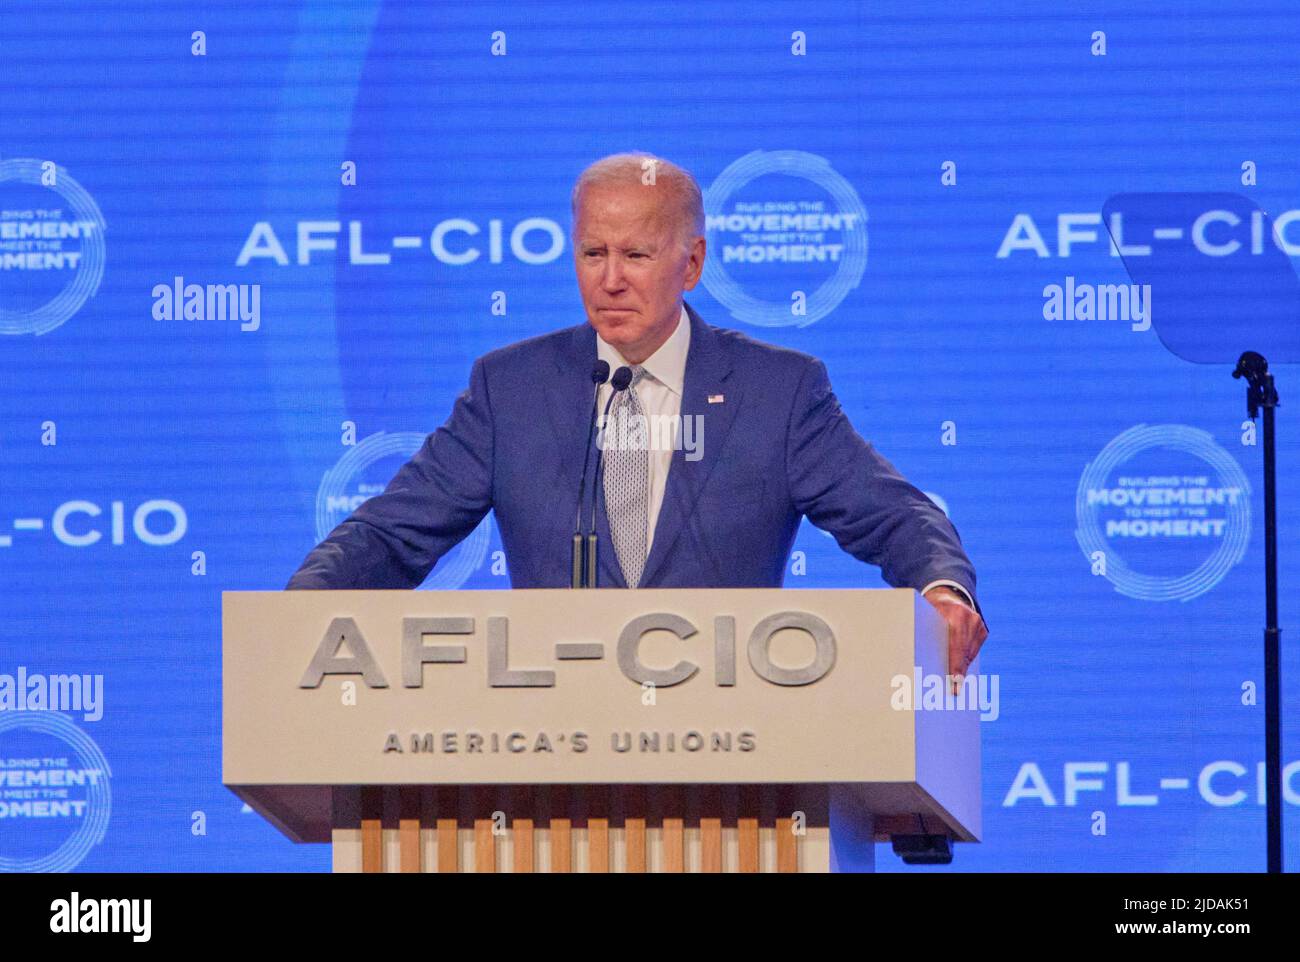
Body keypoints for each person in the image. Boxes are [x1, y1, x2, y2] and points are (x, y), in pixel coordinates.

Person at [287, 152, 988, 678]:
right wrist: (302, 607)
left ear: (691, 264)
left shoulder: (778, 392)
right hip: (546, 752)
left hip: (735, 746)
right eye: (593, 252)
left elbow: (896, 515)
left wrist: (941, 588)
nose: (609, 278)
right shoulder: (511, 389)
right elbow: (392, 532)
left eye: (636, 254)